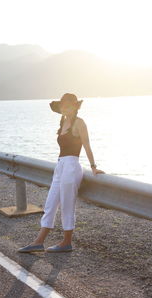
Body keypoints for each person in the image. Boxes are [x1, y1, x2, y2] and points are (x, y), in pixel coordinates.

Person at [18, 93, 105, 253]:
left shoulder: (80, 123)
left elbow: (86, 144)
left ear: (75, 106)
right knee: (50, 204)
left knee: (67, 205)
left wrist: (93, 166)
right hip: (60, 166)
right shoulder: (64, 122)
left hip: (72, 166)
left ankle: (66, 242)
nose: (65, 108)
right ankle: (39, 242)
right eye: (63, 106)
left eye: (69, 105)